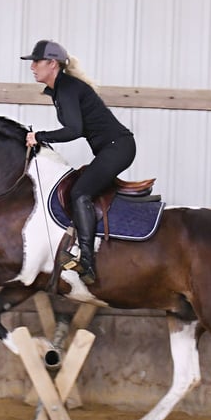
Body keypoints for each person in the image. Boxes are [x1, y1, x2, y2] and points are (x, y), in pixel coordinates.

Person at [21, 39, 136, 285]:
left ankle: (86, 260)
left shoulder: (67, 88)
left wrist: (40, 136)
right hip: (113, 148)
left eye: (36, 62)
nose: (32, 67)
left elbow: (74, 129)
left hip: (119, 147)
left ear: (52, 64)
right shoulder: (60, 90)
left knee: (80, 191)